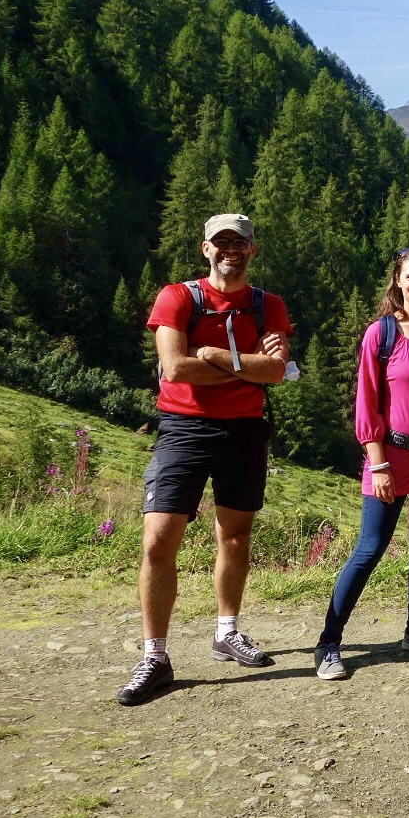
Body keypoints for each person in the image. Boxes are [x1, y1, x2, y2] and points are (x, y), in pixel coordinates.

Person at [117, 214, 294, 705]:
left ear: (252, 251)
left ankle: (227, 631)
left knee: (235, 536)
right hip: (183, 428)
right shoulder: (177, 297)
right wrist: (246, 366)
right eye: (221, 243)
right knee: (157, 541)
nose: (230, 250)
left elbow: (277, 373)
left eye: (239, 243)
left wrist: (215, 355)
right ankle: (155, 656)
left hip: (244, 431)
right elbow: (174, 368)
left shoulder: (268, 305)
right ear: (205, 249)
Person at [313, 246, 409, 680]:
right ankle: (328, 643)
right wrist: (378, 462)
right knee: (369, 548)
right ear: (398, 281)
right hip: (392, 458)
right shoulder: (381, 335)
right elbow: (366, 403)